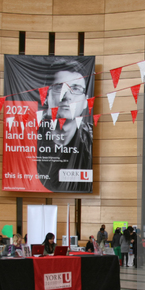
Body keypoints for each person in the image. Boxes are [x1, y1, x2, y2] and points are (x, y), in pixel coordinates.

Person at [37, 59, 94, 192]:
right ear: (45, 95)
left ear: (85, 101)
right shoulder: (27, 136)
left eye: (76, 89)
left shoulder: (91, 141)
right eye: (59, 87)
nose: (66, 96)